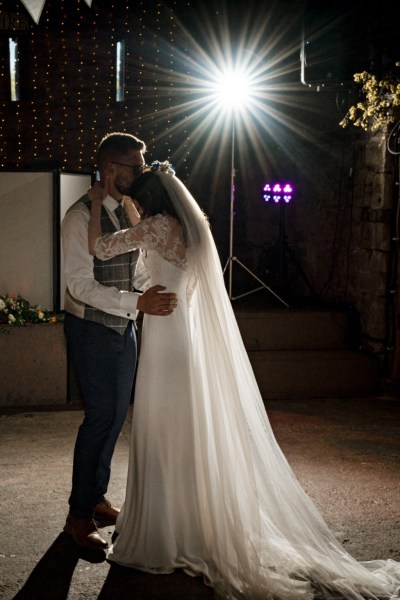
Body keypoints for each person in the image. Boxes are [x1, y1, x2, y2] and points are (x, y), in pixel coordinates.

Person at [87, 161, 400, 599]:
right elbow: (157, 262)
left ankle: (163, 531)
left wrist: (101, 201)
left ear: (150, 200)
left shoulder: (155, 226)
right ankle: (190, 526)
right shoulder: (189, 230)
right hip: (185, 335)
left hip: (164, 337)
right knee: (185, 431)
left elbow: (101, 249)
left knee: (161, 429)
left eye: (139, 196)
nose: (134, 202)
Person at [61, 134, 177, 550]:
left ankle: (97, 496)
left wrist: (158, 292)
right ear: (110, 169)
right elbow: (78, 286)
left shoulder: (129, 213)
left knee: (114, 418)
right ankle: (78, 515)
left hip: (124, 327)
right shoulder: (78, 217)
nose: (141, 172)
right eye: (134, 165)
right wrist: (137, 302)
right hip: (91, 330)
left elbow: (137, 269)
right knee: (99, 418)